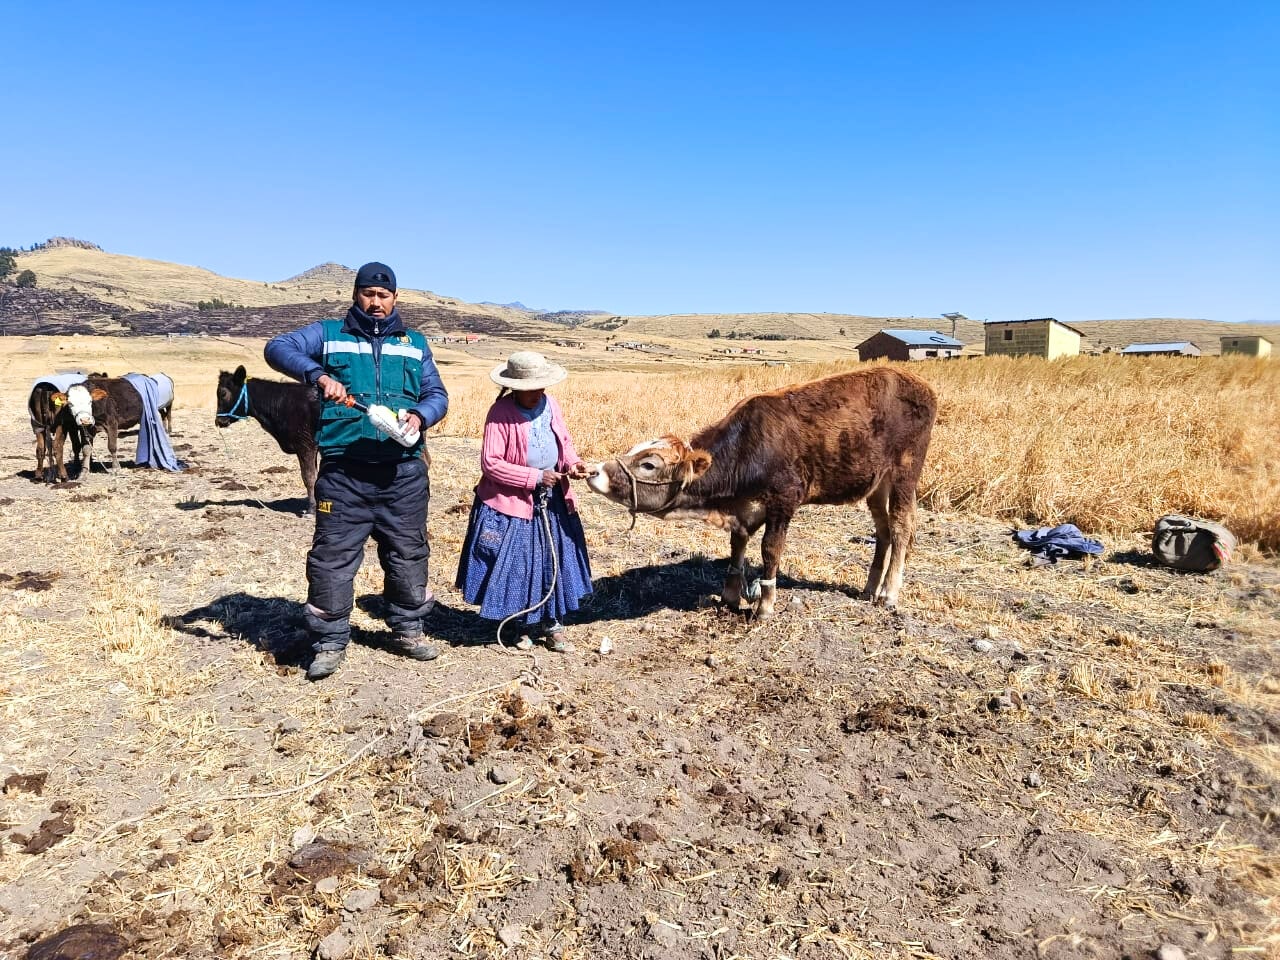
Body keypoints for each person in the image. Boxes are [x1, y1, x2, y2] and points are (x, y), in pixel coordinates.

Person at [265, 262, 448, 681]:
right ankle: (329, 640)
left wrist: (421, 416)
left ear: (396, 298)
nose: (376, 302)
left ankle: (407, 629)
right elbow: (277, 347)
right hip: (344, 474)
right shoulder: (329, 335)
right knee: (332, 557)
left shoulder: (414, 343)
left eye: (384, 296)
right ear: (355, 295)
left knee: (408, 552)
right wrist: (317, 374)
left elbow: (437, 393)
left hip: (403, 474)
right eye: (369, 294)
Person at [455, 351, 593, 652]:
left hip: (553, 500)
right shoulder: (500, 413)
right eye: (530, 389)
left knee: (552, 561)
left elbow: (564, 444)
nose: (537, 394)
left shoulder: (552, 405)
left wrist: (573, 464)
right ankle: (520, 624)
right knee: (519, 565)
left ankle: (551, 621)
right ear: (515, 388)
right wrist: (534, 477)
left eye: (541, 387)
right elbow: (490, 463)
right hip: (513, 503)